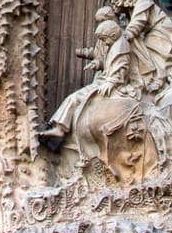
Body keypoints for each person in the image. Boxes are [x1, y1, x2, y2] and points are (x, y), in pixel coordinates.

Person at [37, 16, 132, 155]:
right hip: (104, 81)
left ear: (113, 34)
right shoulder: (115, 45)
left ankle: (60, 130)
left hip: (108, 84)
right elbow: (109, 64)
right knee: (73, 98)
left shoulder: (121, 48)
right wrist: (97, 64)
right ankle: (59, 131)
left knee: (74, 98)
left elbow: (122, 68)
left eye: (105, 39)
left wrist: (111, 82)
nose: (104, 43)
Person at [105, 0, 172, 90]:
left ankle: (158, 79)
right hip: (151, 32)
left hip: (162, 30)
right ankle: (146, 78)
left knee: (153, 50)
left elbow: (138, 22)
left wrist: (125, 36)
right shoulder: (129, 8)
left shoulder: (142, 1)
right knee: (138, 46)